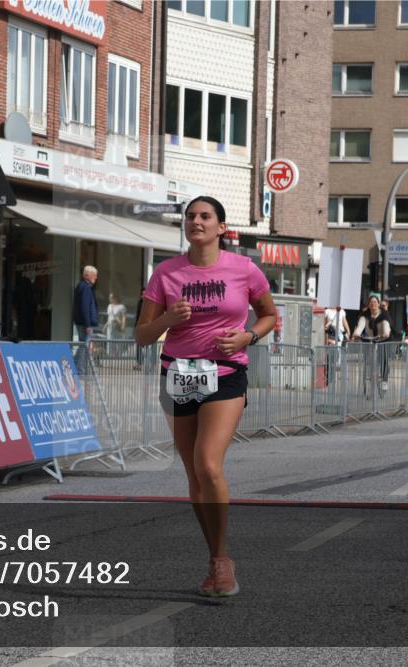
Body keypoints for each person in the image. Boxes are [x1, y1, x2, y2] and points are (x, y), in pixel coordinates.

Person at [135, 196, 277, 597]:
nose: (196, 221)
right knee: (194, 475)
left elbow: (269, 314)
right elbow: (142, 336)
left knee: (208, 464)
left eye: (205, 216)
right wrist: (167, 319)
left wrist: (248, 335)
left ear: (221, 227)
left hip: (226, 373)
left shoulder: (243, 269)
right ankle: (216, 557)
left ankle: (222, 559)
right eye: (190, 216)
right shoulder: (165, 273)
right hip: (178, 375)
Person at [352, 293, 392, 394]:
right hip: (369, 341)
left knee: (384, 362)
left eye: (375, 302)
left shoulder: (384, 314)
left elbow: (386, 325)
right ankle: (366, 382)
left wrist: (385, 333)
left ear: (378, 304)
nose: (373, 304)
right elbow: (360, 326)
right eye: (371, 302)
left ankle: (384, 381)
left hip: (382, 340)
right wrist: (356, 334)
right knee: (367, 362)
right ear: (368, 305)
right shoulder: (364, 315)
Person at [72, 265, 98, 370]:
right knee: (84, 346)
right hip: (84, 323)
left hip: (82, 322)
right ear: (87, 275)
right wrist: (88, 324)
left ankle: (78, 367)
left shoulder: (82, 286)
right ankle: (78, 368)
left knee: (84, 345)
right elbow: (85, 307)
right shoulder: (85, 288)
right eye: (94, 275)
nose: (96, 278)